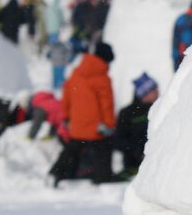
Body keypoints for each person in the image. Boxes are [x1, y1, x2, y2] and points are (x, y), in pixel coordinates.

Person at [49, 41, 117, 185]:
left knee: (72, 149)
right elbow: (107, 106)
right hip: (97, 128)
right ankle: (102, 177)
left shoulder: (76, 73)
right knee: (103, 148)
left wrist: (67, 117)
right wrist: (110, 125)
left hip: (77, 126)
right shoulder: (103, 79)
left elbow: (66, 97)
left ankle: (57, 173)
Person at [114, 73, 157, 179]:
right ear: (144, 93)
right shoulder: (126, 113)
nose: (157, 92)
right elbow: (119, 140)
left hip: (156, 164)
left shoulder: (159, 108)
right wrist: (137, 152)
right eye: (153, 90)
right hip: (132, 166)